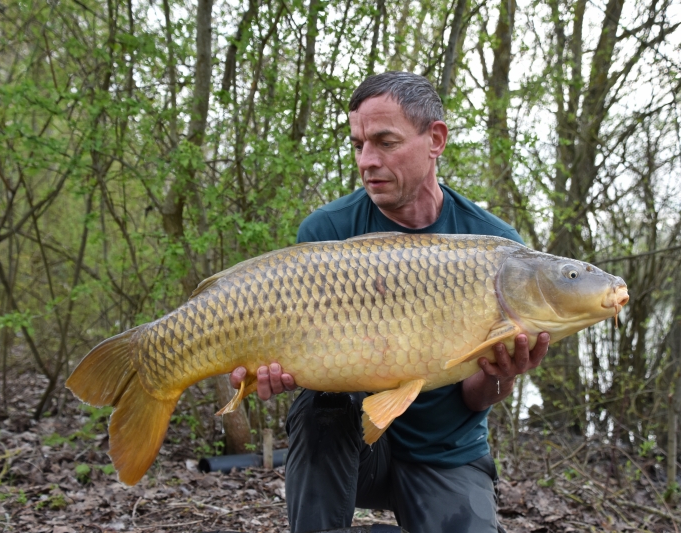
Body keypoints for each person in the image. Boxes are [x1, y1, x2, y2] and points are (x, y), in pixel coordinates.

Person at [230, 71, 550, 533]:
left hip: (445, 454)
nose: (367, 161)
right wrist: (272, 369)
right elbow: (309, 366)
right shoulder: (327, 233)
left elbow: (476, 398)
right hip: (354, 451)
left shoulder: (496, 249)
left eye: (384, 142)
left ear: (435, 139)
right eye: (359, 143)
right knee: (318, 409)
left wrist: (504, 375)